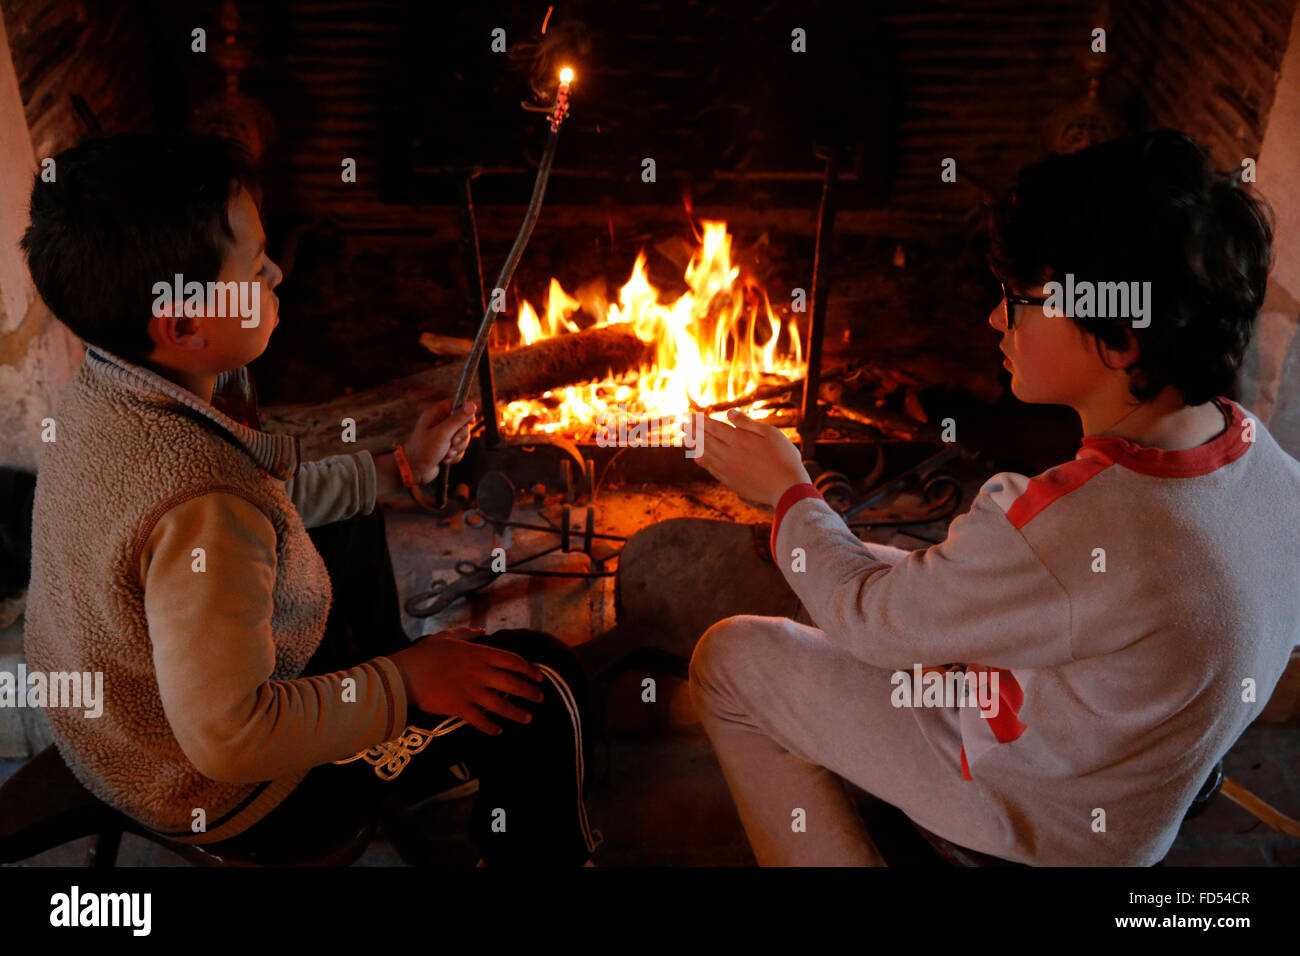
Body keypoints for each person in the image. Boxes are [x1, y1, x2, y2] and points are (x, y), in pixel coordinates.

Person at [688, 129, 1298, 866]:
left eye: (1020, 300)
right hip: (1134, 790)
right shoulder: (1266, 465)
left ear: (1122, 337)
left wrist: (787, 490)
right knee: (871, 569)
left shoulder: (1063, 522)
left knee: (729, 660)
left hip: (1038, 814)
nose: (994, 319)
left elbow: (872, 623)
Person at [21, 132, 599, 866]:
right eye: (253, 267)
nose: (276, 273)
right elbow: (232, 738)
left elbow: (265, 498)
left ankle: (420, 721)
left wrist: (394, 471)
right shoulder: (203, 504)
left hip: (118, 729)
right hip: (230, 789)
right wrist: (404, 682)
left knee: (348, 533)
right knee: (542, 685)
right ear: (184, 324)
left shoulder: (109, 390)